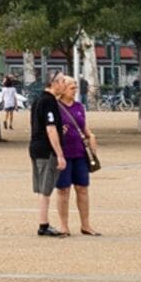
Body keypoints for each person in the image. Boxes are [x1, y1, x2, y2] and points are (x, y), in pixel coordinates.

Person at [53, 74, 100, 235]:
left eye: (75, 88)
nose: (75, 90)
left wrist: (91, 139)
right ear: (63, 88)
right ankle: (63, 225)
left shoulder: (79, 107)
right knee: (63, 190)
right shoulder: (56, 107)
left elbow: (85, 129)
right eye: (72, 88)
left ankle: (85, 224)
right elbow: (50, 130)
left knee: (82, 188)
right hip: (63, 153)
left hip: (80, 153)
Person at [26, 75, 66, 234]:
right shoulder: (49, 101)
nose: (64, 85)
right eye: (62, 81)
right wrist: (60, 154)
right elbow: (50, 128)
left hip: (35, 146)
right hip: (46, 149)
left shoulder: (38, 100)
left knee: (42, 188)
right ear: (54, 83)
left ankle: (43, 222)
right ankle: (43, 224)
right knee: (45, 188)